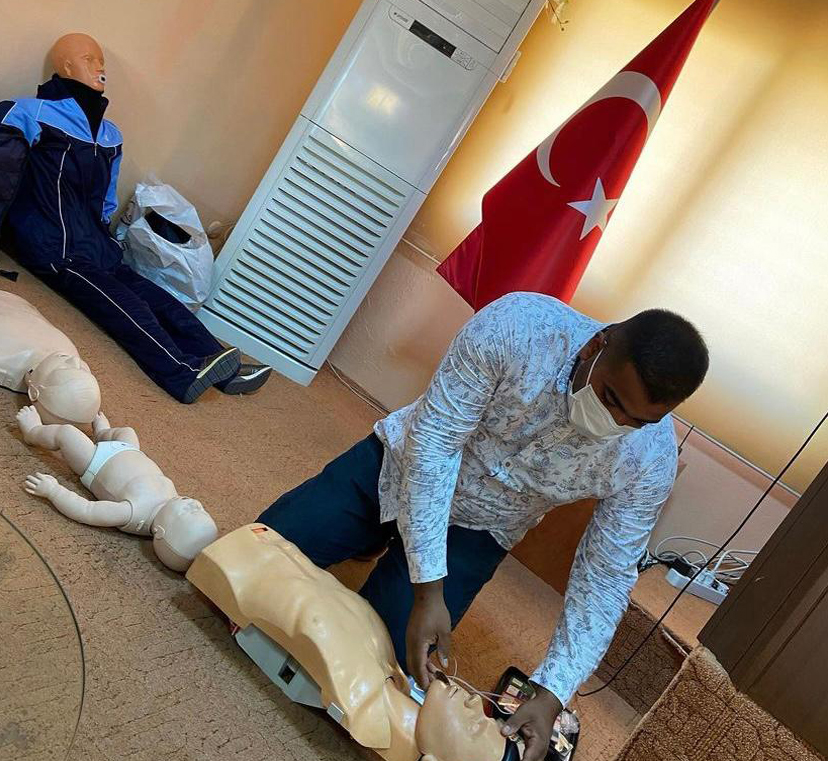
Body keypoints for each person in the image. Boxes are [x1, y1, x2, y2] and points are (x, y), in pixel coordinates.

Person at [257, 291, 709, 761]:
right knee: (260, 554)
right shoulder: (519, 326)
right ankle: (373, 533)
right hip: (397, 468)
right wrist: (428, 591)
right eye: (611, 399)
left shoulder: (649, 460)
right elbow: (434, 444)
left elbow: (606, 577)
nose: (614, 422)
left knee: (382, 663)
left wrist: (552, 693)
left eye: (636, 421)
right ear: (597, 345)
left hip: (480, 528)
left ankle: (383, 550)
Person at [0, 33, 271, 403]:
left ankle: (223, 364)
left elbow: (106, 198)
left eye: (101, 61)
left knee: (158, 298)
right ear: (65, 67)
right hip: (52, 245)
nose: (99, 67)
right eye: (88, 59)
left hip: (95, 243)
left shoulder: (110, 134)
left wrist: (106, 236)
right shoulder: (30, 113)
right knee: (125, 305)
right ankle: (181, 372)